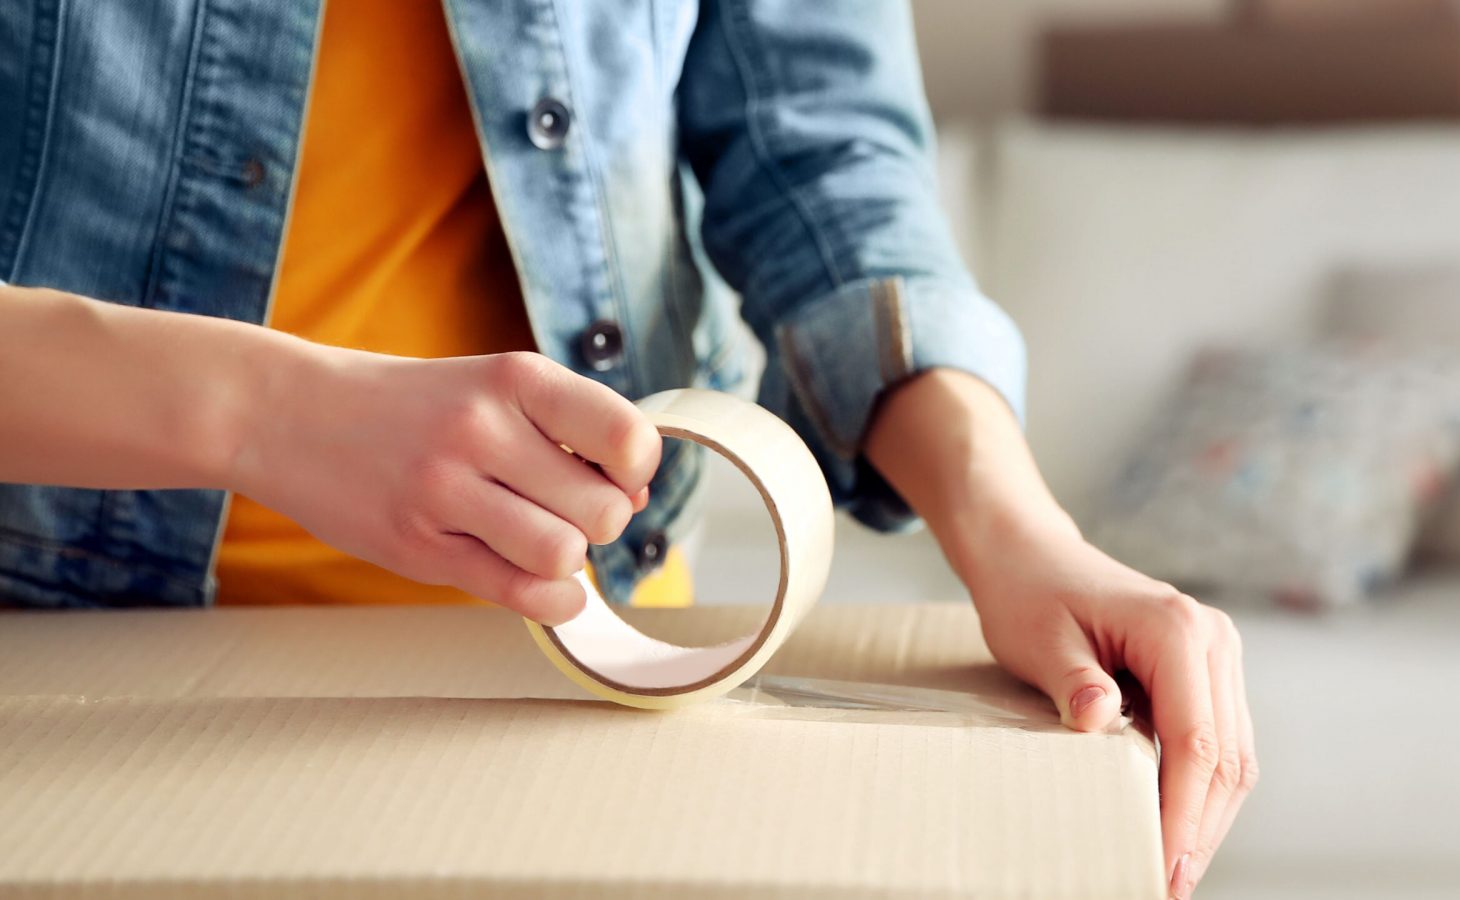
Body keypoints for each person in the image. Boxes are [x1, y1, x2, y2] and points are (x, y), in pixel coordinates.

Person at [0, 2, 1253, 896]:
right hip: (72, 664)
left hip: (595, 663)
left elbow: (823, 161)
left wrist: (1015, 524)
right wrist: (260, 411)